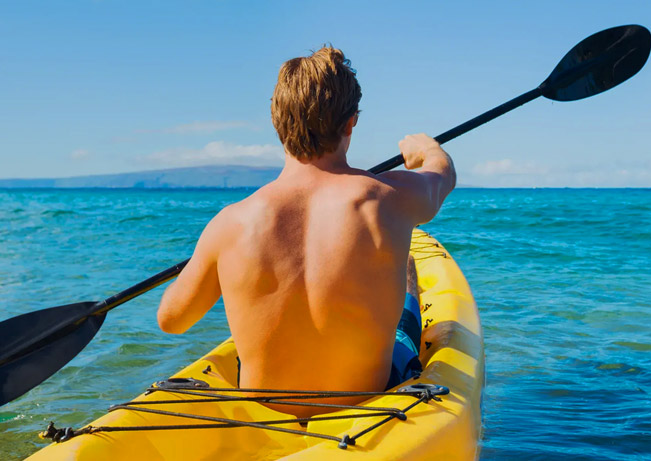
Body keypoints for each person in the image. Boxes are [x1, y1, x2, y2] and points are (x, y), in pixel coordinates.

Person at [157, 46, 455, 417]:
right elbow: (441, 177)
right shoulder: (389, 197)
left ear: (276, 122)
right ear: (350, 123)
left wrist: (208, 261)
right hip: (367, 403)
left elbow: (172, 320)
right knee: (406, 296)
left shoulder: (231, 223)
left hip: (267, 411)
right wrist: (427, 149)